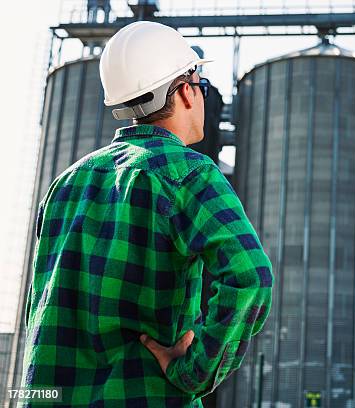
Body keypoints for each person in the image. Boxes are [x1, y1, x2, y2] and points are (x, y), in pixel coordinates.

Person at [20, 21, 274, 407]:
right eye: (201, 86)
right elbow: (251, 277)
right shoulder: (189, 173)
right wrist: (194, 371)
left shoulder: (65, 185)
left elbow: (37, 307)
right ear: (187, 91)